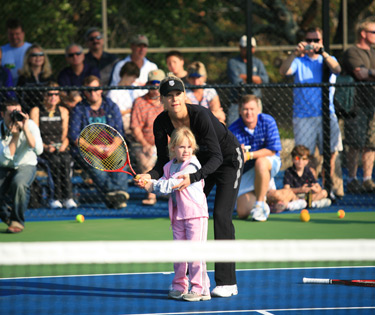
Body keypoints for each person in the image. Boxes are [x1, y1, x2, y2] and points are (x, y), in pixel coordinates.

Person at [134, 75, 243, 298]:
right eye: (169, 96)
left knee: (221, 215)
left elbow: (216, 156)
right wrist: (149, 176)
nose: (174, 99)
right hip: (197, 167)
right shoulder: (161, 123)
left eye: (178, 94)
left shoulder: (200, 115)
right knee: (187, 215)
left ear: (184, 95)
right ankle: (184, 283)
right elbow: (164, 161)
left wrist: (193, 178)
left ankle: (227, 282)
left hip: (227, 160)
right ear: (162, 99)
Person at [140, 127, 210, 302]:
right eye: (181, 147)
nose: (185, 150)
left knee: (195, 254)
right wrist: (147, 182)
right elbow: (163, 181)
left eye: (189, 147)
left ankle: (200, 289)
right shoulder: (169, 166)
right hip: (178, 216)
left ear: (193, 148)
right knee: (179, 254)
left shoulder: (192, 164)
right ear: (173, 148)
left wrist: (150, 185)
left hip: (195, 215)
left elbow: (171, 184)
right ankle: (179, 286)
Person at [279, 26, 343, 198]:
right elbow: (283, 71)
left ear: (322, 42)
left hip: (326, 113)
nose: (312, 43)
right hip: (303, 116)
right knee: (306, 155)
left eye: (316, 40)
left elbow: (337, 69)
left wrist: (323, 53)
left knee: (331, 154)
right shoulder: (299, 61)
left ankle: (335, 189)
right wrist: (294, 53)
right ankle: (310, 191)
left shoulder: (327, 59)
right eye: (309, 40)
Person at [68, 75, 129, 209]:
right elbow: (74, 136)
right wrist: (94, 149)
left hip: (111, 146)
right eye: (89, 90)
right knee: (96, 166)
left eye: (96, 89)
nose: (93, 93)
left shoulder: (111, 106)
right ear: (85, 92)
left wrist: (111, 148)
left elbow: (119, 132)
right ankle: (116, 194)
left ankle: (114, 195)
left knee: (120, 159)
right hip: (88, 149)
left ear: (101, 90)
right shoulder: (79, 108)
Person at [228, 94, 282, 221]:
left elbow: (272, 150)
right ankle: (265, 195)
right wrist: (237, 154)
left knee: (261, 162)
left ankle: (260, 205)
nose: (249, 113)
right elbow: (230, 159)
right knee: (242, 212)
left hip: (269, 163)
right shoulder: (233, 130)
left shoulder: (268, 121)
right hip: (247, 171)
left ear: (258, 110)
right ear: (240, 111)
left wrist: (249, 155)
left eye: (252, 109)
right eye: (245, 109)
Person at [30, 82, 77, 209]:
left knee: (66, 160)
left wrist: (62, 145)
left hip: (60, 147)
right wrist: (45, 146)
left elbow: (65, 135)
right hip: (43, 149)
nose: (53, 97)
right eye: (50, 94)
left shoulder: (63, 111)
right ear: (44, 96)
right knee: (54, 161)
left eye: (56, 94)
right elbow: (34, 135)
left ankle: (68, 197)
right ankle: (54, 198)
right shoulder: (36, 111)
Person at [342, 16, 375, 193]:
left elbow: (365, 72)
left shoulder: (374, 52)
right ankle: (353, 179)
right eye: (373, 32)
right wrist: (369, 73)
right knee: (354, 143)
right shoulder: (352, 52)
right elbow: (360, 74)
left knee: (371, 143)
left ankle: (367, 179)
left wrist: (368, 71)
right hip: (355, 105)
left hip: (372, 104)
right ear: (363, 33)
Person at [0, 98, 43, 233]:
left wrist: (25, 129)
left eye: (18, 112)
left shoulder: (30, 125)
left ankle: (17, 221)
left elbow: (38, 150)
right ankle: (7, 216)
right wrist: (15, 137)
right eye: (11, 114)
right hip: (4, 166)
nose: (15, 117)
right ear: (2, 114)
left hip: (26, 164)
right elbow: (5, 159)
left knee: (19, 183)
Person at [131, 69, 165, 206]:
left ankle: (169, 192)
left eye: (158, 83)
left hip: (168, 144)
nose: (155, 87)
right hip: (146, 143)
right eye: (152, 83)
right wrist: (145, 143)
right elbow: (135, 127)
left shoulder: (169, 101)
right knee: (146, 162)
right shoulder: (139, 102)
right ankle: (151, 195)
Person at [226, 35, 269, 125]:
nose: (248, 50)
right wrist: (256, 79)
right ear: (240, 48)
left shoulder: (258, 62)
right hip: (237, 102)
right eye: (245, 48)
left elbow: (265, 80)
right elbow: (237, 82)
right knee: (233, 130)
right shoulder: (233, 62)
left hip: (255, 101)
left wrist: (246, 77)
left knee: (256, 127)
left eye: (251, 48)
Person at [109, 34, 157, 101]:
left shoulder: (152, 67)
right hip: (124, 104)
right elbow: (114, 88)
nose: (142, 50)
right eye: (139, 46)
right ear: (132, 46)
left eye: (144, 46)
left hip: (147, 105)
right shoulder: (120, 65)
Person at [17, 44, 54, 113]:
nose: (38, 57)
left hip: (46, 111)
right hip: (28, 111)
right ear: (28, 58)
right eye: (34, 55)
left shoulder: (49, 76)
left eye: (40, 54)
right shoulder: (23, 77)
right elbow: (19, 98)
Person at [107, 61, 140, 136]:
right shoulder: (113, 92)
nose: (134, 80)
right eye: (133, 77)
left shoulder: (134, 89)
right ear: (126, 75)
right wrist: (130, 110)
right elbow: (114, 112)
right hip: (121, 121)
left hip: (135, 119)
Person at [1, 19, 32, 85]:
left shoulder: (32, 50)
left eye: (17, 34)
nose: (14, 37)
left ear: (23, 34)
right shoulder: (1, 51)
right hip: (6, 90)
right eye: (11, 34)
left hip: (28, 88)